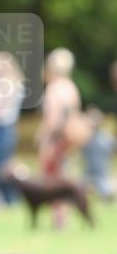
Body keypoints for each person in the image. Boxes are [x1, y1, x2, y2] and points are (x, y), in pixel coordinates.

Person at [37, 47, 85, 227]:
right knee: (65, 176)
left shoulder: (54, 89)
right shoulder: (71, 87)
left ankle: (59, 218)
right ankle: (64, 216)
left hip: (56, 140)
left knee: (53, 179)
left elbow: (53, 120)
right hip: (69, 140)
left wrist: (44, 139)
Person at [0, 51, 25, 203]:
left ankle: (8, 198)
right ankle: (2, 198)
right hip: (0, 129)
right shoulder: (2, 83)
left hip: (3, 129)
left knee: (1, 166)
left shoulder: (8, 84)